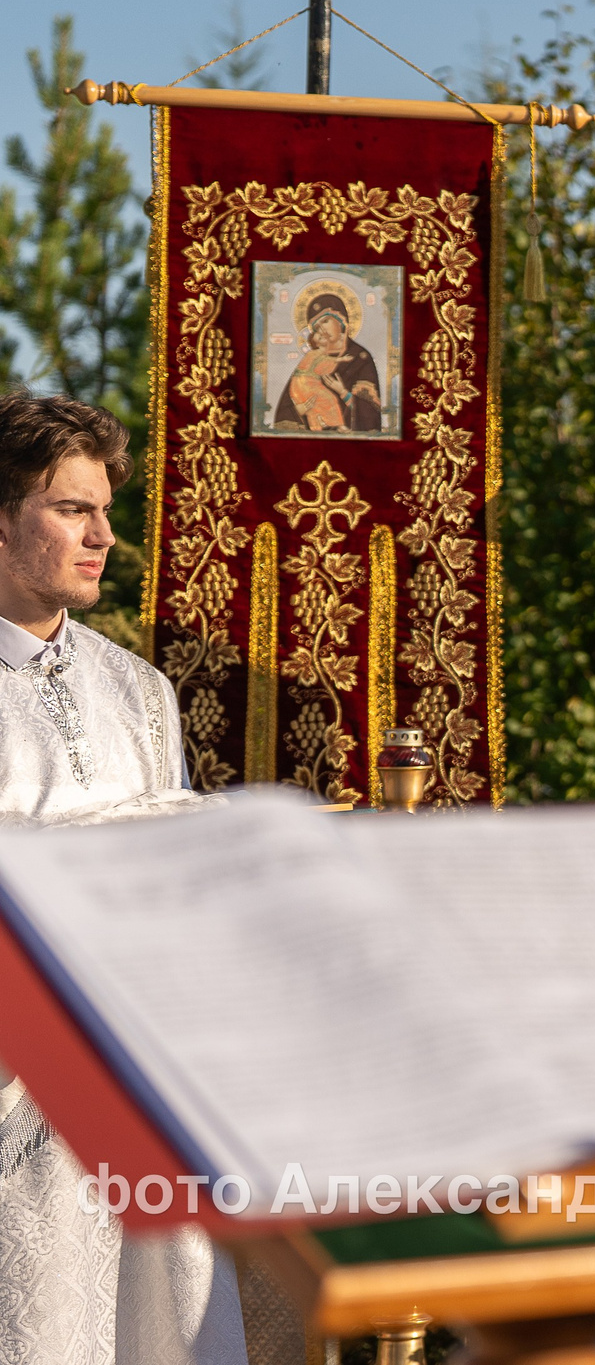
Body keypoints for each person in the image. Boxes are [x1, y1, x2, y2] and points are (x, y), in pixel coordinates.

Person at [0, 390, 249, 1364]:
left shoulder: (140, 693)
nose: (103, 535)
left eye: (106, 511)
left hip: (135, 1087)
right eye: (71, 509)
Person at [271, 294, 382, 435]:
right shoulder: (311, 359)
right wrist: (299, 409)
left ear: (341, 320)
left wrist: (343, 393)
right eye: (316, 327)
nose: (321, 330)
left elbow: (371, 414)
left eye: (325, 321)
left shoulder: (360, 359)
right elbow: (284, 411)